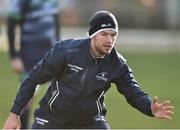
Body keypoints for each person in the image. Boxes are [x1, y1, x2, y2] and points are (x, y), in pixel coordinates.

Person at [3, 10, 174, 129]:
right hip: (51, 120)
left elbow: (133, 92)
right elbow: (33, 79)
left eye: (113, 35)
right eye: (104, 34)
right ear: (92, 35)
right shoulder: (65, 51)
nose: (109, 40)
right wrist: (14, 114)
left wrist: (149, 108)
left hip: (89, 122)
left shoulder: (117, 64)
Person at [6, 0, 60, 128]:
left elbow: (55, 21)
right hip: (29, 53)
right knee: (27, 98)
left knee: (59, 94)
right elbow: (11, 24)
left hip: (51, 51)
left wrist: (59, 47)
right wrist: (14, 56)